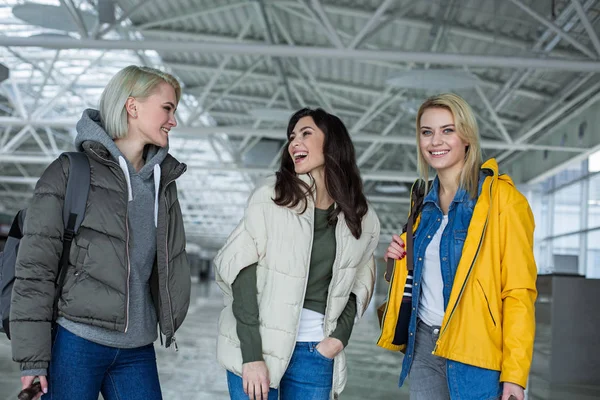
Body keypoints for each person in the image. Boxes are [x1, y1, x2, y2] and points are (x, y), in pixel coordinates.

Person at [10, 65, 191, 400]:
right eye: (167, 108)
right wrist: (33, 360)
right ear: (132, 106)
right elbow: (35, 270)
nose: (173, 121)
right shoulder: (70, 172)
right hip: (76, 343)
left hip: (137, 347)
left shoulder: (163, 184)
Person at [377, 93, 537, 400]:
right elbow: (425, 276)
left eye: (447, 130)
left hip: (476, 354)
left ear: (467, 137)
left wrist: (515, 375)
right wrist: (398, 260)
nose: (435, 141)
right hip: (424, 345)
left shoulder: (504, 201)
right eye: (427, 132)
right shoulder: (423, 205)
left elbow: (518, 293)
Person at [214, 108, 380, 400]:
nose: (294, 143)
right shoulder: (271, 197)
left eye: (306, 134)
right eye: (292, 137)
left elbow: (360, 282)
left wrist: (338, 339)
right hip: (258, 348)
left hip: (315, 353)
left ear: (332, 144)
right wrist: (252, 355)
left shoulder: (362, 218)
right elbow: (240, 272)